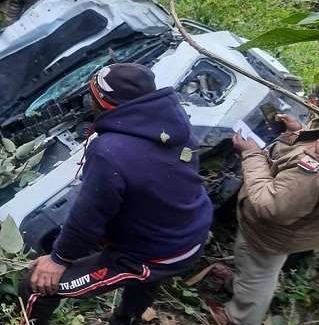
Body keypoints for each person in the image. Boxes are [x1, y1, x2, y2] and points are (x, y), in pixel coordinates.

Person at [20, 63, 213, 325]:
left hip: (156, 252)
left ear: (102, 101)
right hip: (192, 232)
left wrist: (58, 259)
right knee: (144, 282)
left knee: (36, 285)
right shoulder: (174, 123)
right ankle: (127, 319)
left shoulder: (109, 150)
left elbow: (87, 218)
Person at [210, 83, 319, 325]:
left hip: (278, 230)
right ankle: (239, 286)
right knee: (257, 267)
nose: (315, 104)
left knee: (258, 271)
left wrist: (252, 154)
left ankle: (237, 318)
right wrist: (299, 134)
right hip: (306, 225)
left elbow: (272, 207)